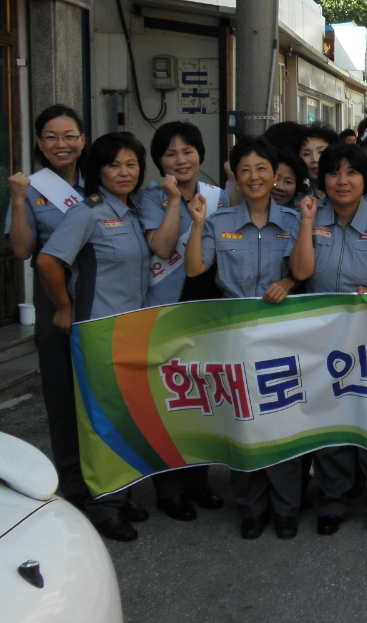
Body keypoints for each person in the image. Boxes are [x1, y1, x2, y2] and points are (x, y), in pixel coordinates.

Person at [289, 142, 367, 539]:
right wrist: (306, 223)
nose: (342, 181)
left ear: (364, 180)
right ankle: (333, 501)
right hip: (321, 339)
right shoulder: (309, 216)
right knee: (331, 420)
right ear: (322, 179)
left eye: (351, 173)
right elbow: (300, 272)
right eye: (333, 173)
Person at [184, 135, 304, 540]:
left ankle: (286, 508)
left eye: (262, 169)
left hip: (281, 336)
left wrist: (288, 281)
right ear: (234, 176)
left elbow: (303, 271)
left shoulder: (293, 221)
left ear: (275, 175)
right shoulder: (217, 221)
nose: (254, 177)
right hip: (234, 336)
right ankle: (251, 508)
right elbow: (195, 269)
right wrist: (196, 224)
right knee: (242, 422)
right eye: (245, 170)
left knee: (282, 421)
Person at [35, 131, 152, 542]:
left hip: (132, 331)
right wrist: (64, 307)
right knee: (101, 421)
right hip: (98, 330)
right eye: (113, 165)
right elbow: (48, 261)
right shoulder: (88, 212)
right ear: (97, 170)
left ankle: (121, 492)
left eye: (131, 164)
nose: (124, 172)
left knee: (124, 417)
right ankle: (104, 506)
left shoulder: (133, 211)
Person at [137, 121, 228, 520]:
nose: (180, 159)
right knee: (167, 401)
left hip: (207, 305)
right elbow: (161, 247)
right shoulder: (150, 197)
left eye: (187, 151)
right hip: (166, 306)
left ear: (200, 154)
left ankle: (198, 481)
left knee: (202, 397)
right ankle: (169, 489)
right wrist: (174, 201)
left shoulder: (218, 196)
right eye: (170, 153)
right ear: (159, 160)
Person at [6, 104, 90, 512]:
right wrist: (18, 200)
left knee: (101, 392)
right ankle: (74, 483)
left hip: (100, 295)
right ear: (39, 143)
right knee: (61, 394)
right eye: (52, 137)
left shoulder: (100, 180)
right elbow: (23, 249)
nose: (62, 144)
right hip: (55, 299)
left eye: (69, 136)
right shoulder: (31, 188)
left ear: (82, 140)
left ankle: (110, 477)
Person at [296, 124, 339, 199]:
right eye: (307, 154)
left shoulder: (350, 195)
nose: (315, 159)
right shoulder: (297, 201)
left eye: (321, 152)